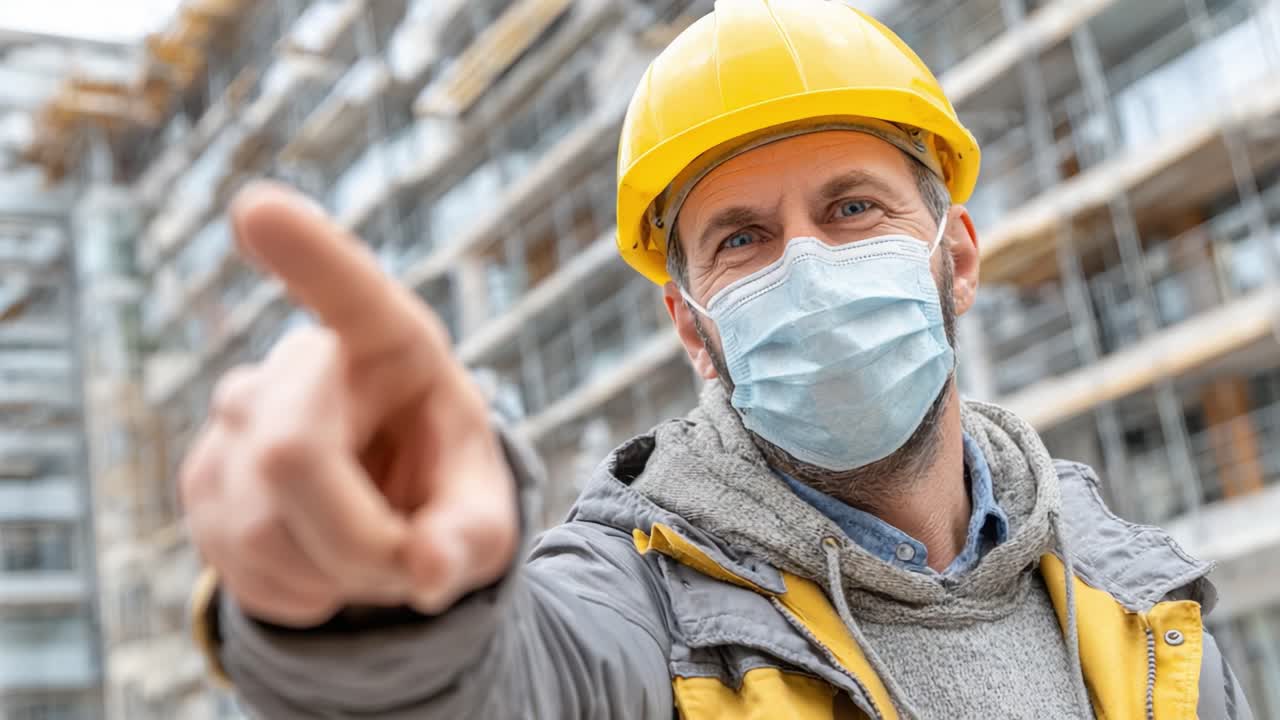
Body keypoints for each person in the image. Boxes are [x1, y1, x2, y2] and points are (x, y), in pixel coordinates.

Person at [182, 1, 1252, 718]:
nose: (807, 264)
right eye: (741, 239)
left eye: (850, 208)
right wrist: (375, 608)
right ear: (689, 323)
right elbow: (481, 689)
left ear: (954, 257)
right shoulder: (634, 616)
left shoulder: (1136, 597)